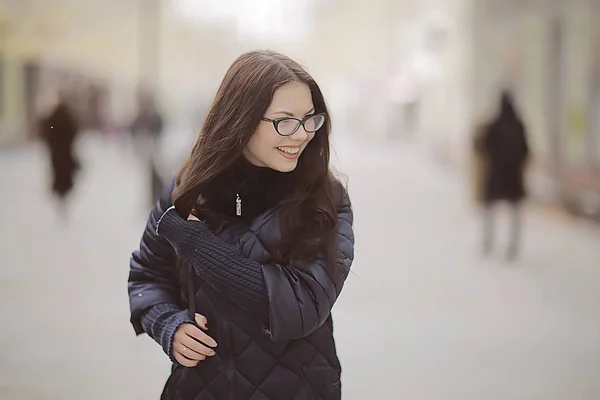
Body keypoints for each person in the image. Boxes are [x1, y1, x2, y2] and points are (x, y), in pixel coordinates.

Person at [128, 50, 355, 400]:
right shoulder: (188, 190)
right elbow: (148, 276)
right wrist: (168, 325)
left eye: (310, 119)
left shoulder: (326, 201)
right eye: (285, 121)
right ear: (242, 119)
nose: (301, 134)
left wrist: (199, 247)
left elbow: (301, 306)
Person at [476, 90, 530, 261]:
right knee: (514, 212)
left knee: (489, 210)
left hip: (495, 174)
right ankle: (512, 246)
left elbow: (480, 146)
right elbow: (526, 150)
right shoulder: (518, 125)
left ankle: (488, 241)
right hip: (512, 175)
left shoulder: (492, 125)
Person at [39, 89, 80, 220]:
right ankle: (61, 201)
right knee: (61, 178)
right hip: (60, 153)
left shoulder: (65, 114)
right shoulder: (57, 114)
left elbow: (73, 131)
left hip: (63, 153)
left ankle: (63, 200)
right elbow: (48, 130)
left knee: (64, 178)